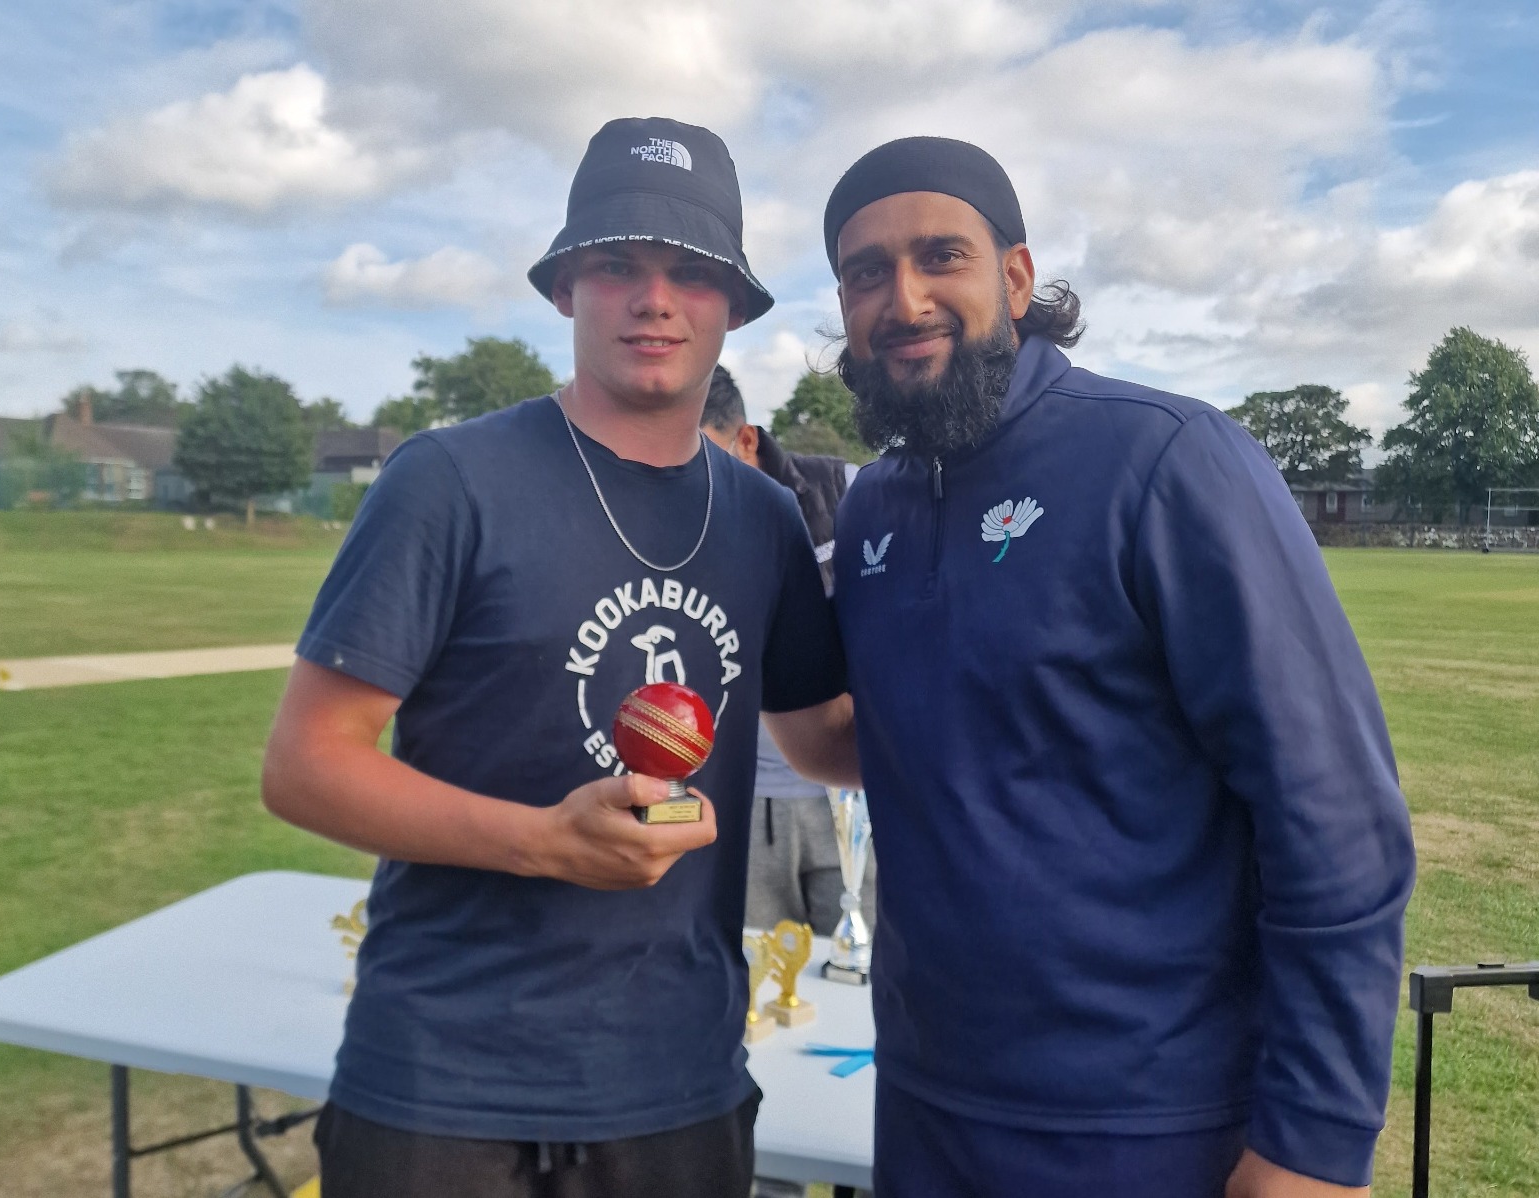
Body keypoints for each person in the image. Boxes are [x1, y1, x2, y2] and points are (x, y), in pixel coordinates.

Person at [261, 116, 856, 1198]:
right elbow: (307, 763)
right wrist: (541, 842)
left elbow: (825, 739)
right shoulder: (449, 479)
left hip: (679, 1087)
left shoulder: (765, 518)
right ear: (564, 288)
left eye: (691, 272)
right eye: (619, 265)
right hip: (443, 1085)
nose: (654, 298)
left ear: (732, 306)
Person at [821, 136, 1416, 1198]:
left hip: (1145, 1121)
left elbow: (1333, 817)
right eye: (866, 272)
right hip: (925, 1105)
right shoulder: (874, 504)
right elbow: (891, 737)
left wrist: (1313, 1143)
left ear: (1013, 276)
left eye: (939, 256)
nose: (902, 298)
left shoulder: (1166, 458)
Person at [698, 365, 878, 941]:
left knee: (868, 968)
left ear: (746, 439)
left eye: (710, 458)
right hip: (740, 799)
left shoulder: (851, 494)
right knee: (765, 984)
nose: (697, 481)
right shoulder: (658, 521)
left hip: (853, 795)